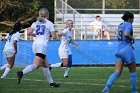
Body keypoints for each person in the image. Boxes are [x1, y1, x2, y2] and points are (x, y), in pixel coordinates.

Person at [17, 8, 60, 87]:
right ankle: (21, 72)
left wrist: (37, 34)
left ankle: (52, 83)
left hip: (35, 45)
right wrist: (54, 35)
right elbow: (54, 37)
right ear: (47, 14)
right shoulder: (49, 23)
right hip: (42, 46)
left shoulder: (35, 22)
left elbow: (29, 32)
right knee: (36, 65)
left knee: (46, 65)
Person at [101, 12, 138, 93]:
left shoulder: (120, 25)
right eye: (132, 18)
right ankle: (134, 91)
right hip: (126, 49)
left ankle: (106, 88)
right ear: (129, 19)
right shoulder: (128, 24)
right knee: (133, 71)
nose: (133, 20)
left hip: (118, 49)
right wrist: (132, 38)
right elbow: (126, 34)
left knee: (117, 72)